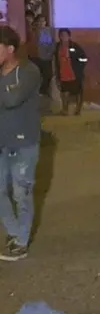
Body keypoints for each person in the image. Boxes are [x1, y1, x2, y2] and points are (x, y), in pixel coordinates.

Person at [0, 26, 42, 261]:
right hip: (1, 143)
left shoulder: (28, 71)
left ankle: (22, 242)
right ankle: (14, 232)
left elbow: (12, 99)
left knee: (21, 194)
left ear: (10, 49)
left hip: (24, 143)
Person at [53, 28, 88, 115]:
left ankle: (78, 110)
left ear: (69, 36)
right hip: (63, 74)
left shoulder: (74, 46)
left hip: (75, 74)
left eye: (65, 35)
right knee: (64, 92)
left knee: (78, 92)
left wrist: (79, 68)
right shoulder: (57, 47)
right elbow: (55, 60)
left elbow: (84, 58)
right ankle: (65, 110)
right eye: (61, 35)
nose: (63, 37)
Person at [33, 14, 55, 96]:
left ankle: (43, 90)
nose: (42, 23)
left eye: (43, 21)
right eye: (40, 21)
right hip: (36, 57)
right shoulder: (34, 31)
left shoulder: (49, 31)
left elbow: (52, 43)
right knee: (36, 74)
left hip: (47, 56)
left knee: (48, 74)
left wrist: (51, 52)